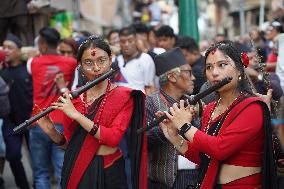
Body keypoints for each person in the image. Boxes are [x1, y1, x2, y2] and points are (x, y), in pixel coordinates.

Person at [159, 41, 277, 189]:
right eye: (209, 67)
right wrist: (174, 136)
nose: (214, 72)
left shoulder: (253, 108)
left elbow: (220, 149)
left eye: (222, 65)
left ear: (239, 71)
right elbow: (206, 158)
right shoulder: (210, 109)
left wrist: (184, 126)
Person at [35, 35, 147, 189]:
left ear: (110, 59)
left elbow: (113, 138)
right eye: (88, 62)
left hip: (110, 169)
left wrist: (76, 115)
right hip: (78, 169)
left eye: (101, 60)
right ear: (80, 65)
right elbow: (71, 145)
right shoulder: (72, 98)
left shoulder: (124, 96)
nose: (96, 68)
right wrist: (52, 132)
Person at [28, 27, 77, 189]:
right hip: (61, 121)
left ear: (42, 44)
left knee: (41, 172)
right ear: (57, 44)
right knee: (63, 170)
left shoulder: (33, 63)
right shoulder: (71, 63)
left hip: (38, 121)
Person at [146, 47, 199, 188]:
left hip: (195, 177)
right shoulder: (150, 102)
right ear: (172, 77)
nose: (193, 77)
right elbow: (143, 140)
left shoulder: (195, 101)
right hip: (163, 181)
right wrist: (171, 125)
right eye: (188, 72)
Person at [0, 34, 32, 189]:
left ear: (19, 51)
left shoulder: (29, 69)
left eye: (9, 47)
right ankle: (23, 186)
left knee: (37, 158)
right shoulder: (2, 72)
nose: (5, 50)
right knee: (12, 156)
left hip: (32, 121)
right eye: (3, 47)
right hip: (10, 122)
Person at [114, 26, 156, 94]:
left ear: (136, 40)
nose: (126, 44)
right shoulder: (115, 60)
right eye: (123, 41)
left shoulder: (145, 59)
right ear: (119, 42)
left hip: (138, 102)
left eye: (130, 41)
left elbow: (149, 87)